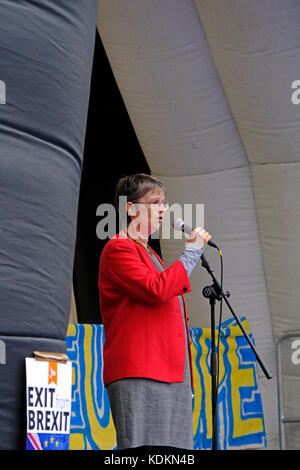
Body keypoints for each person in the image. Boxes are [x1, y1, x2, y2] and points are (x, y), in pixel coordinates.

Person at [98, 173, 211, 450]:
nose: (164, 209)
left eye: (164, 202)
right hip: (140, 370)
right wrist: (191, 253)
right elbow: (156, 289)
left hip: (171, 371)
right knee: (144, 450)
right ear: (131, 208)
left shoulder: (148, 252)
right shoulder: (119, 248)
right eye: (155, 203)